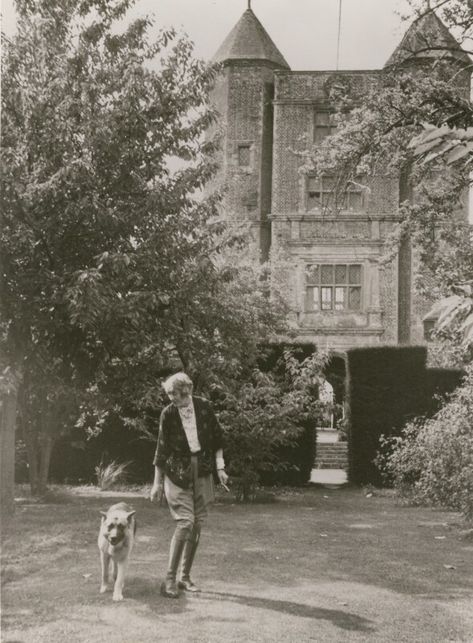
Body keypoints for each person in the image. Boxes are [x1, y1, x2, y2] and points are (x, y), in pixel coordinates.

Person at [149, 372, 229, 598]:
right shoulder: (168, 414)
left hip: (202, 470)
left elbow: (217, 439)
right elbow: (161, 450)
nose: (171, 397)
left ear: (187, 391)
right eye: (169, 393)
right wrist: (156, 483)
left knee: (197, 525)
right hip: (176, 473)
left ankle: (185, 577)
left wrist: (220, 468)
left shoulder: (204, 407)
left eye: (175, 393)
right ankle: (169, 580)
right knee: (185, 522)